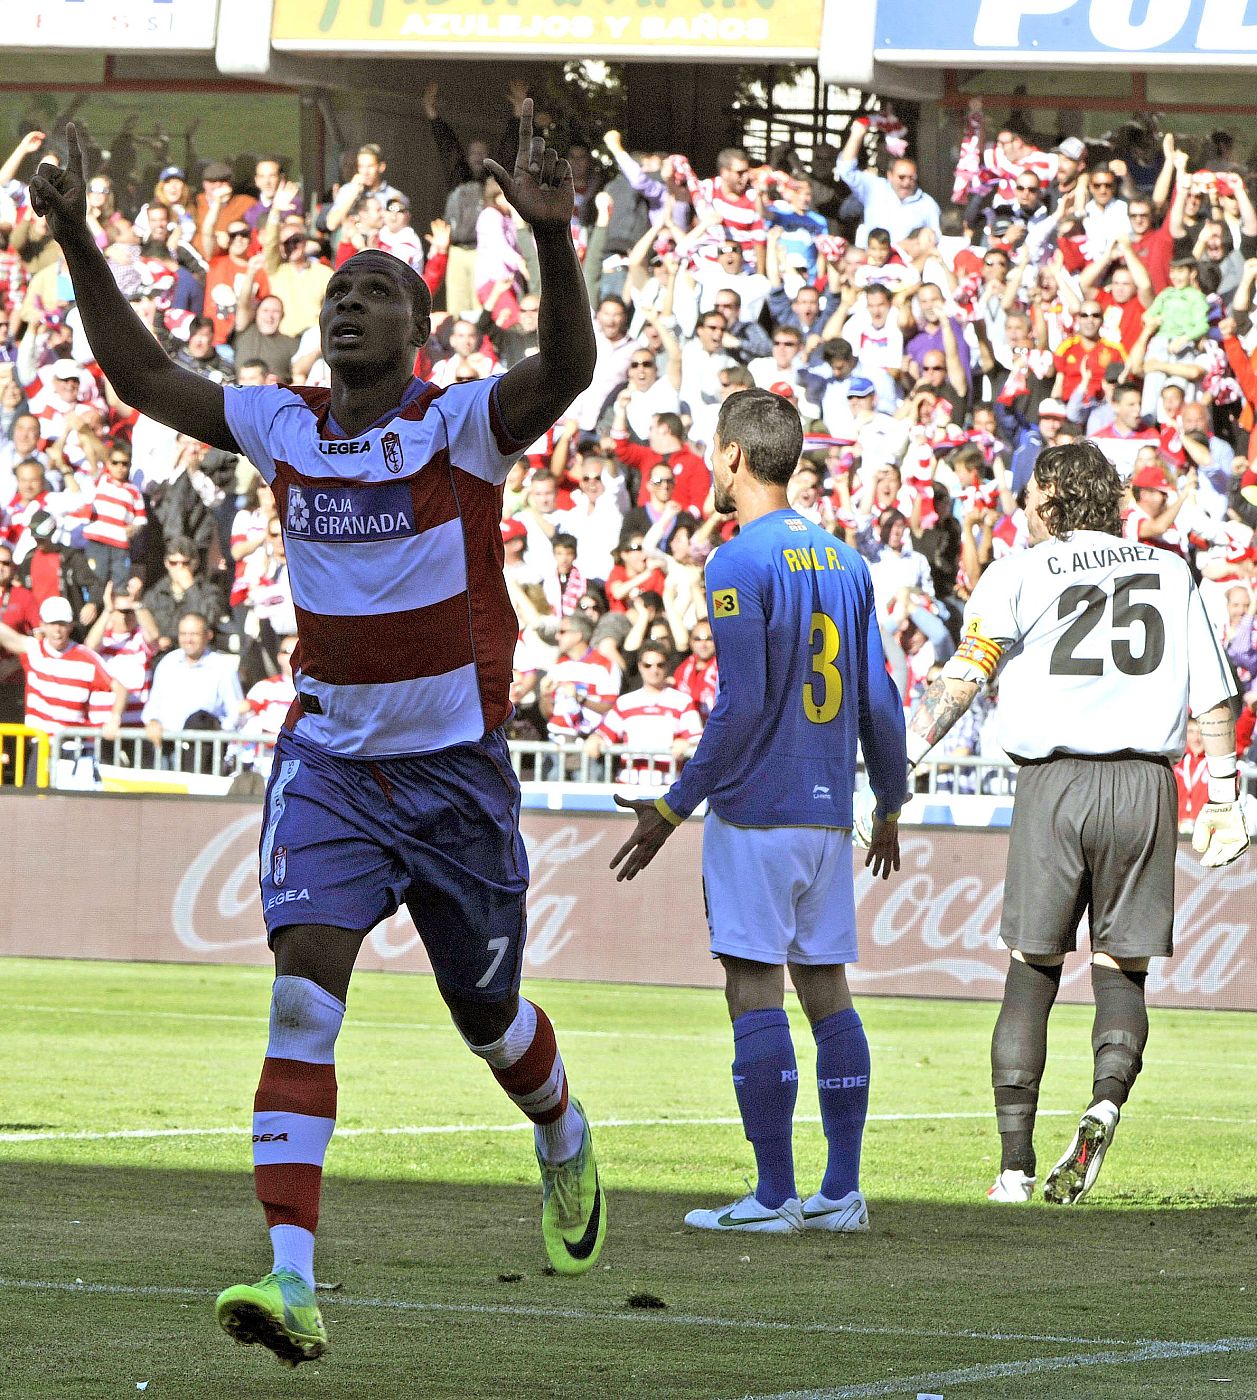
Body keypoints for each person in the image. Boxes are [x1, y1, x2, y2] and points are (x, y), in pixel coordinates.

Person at [30, 105, 606, 1369]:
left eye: (377, 290)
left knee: (488, 1015)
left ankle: (562, 1130)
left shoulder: (458, 426)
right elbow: (142, 378)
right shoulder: (283, 423)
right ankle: (291, 1278)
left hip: (453, 776)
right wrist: (74, 236)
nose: (348, 302)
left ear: (418, 330)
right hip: (333, 765)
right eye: (339, 289)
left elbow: (565, 373)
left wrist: (556, 240)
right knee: (301, 1001)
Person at [895, 440, 1247, 1209]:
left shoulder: (1018, 570)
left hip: (1053, 783)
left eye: (1028, 497)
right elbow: (1215, 698)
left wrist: (898, 764)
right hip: (1145, 784)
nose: (1021, 510)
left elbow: (966, 675)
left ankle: (1013, 1170)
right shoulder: (1167, 569)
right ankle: (1104, 1104)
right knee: (1122, 972)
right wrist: (1222, 794)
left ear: (1051, 497)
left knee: (1031, 969)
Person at [609, 387, 908, 1234]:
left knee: (753, 989)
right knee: (828, 991)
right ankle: (840, 1192)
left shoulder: (736, 562)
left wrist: (671, 808)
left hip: (755, 810)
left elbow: (739, 706)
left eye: (713, 450)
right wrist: (888, 802)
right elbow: (879, 701)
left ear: (733, 456)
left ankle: (774, 1196)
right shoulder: (847, 563)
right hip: (828, 813)